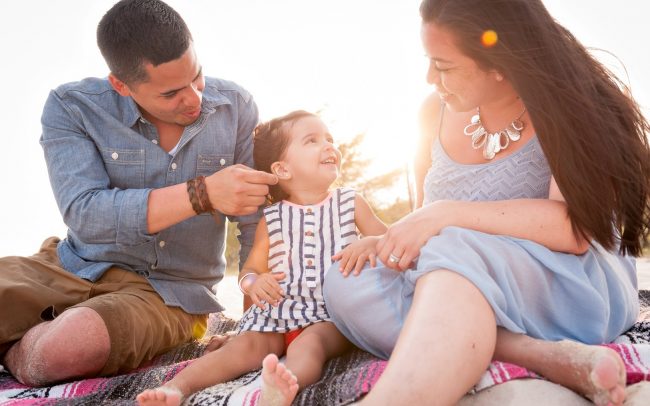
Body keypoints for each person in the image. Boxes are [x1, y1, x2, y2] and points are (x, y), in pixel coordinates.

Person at [324, 0, 650, 405]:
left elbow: (575, 231)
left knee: (453, 246)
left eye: (443, 66)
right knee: (345, 276)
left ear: (500, 64)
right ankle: (536, 353)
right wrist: (394, 237)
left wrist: (443, 216)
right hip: (459, 271)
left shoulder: (574, 105)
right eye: (428, 61)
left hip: (568, 280)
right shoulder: (432, 113)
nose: (429, 78)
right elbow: (432, 215)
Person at [0, 0, 277, 386]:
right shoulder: (72, 107)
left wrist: (252, 329)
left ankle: (20, 350)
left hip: (172, 294)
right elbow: (86, 215)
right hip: (72, 264)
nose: (195, 99)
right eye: (171, 94)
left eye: (196, 77)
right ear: (121, 85)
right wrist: (203, 194)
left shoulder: (237, 107)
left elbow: (255, 230)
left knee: (65, 348)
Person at [136, 110, 387, 406]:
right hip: (278, 310)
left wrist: (371, 243)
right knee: (242, 347)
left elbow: (390, 240)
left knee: (310, 346)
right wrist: (254, 283)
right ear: (282, 169)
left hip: (329, 313)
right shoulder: (273, 217)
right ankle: (176, 388)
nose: (329, 146)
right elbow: (251, 269)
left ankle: (282, 387)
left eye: (329, 139)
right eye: (312, 140)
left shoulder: (350, 203)